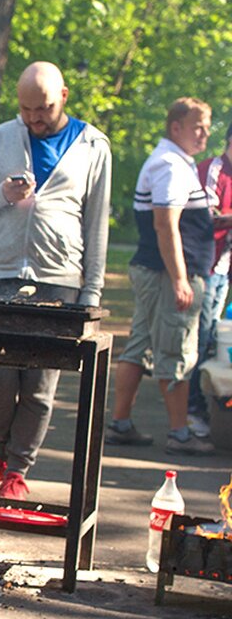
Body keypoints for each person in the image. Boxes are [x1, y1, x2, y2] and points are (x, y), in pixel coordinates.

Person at [0, 61, 111, 499]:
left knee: (40, 385)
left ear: (63, 96)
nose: (33, 118)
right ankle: (1, 453)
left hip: (59, 278)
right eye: (25, 109)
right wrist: (1, 195)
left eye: (42, 108)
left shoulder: (92, 144)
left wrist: (92, 292)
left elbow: (97, 224)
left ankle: (16, 471)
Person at [107, 98, 216, 456]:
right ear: (176, 127)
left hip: (155, 272)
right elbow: (165, 224)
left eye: (206, 126)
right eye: (198, 126)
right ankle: (179, 432)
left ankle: (121, 424)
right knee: (177, 351)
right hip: (166, 276)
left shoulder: (172, 162)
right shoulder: (170, 165)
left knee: (138, 347)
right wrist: (181, 279)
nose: (205, 133)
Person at [186, 120, 232, 437]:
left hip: (224, 270)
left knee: (213, 339)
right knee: (198, 340)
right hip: (204, 269)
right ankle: (191, 409)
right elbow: (209, 218)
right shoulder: (213, 168)